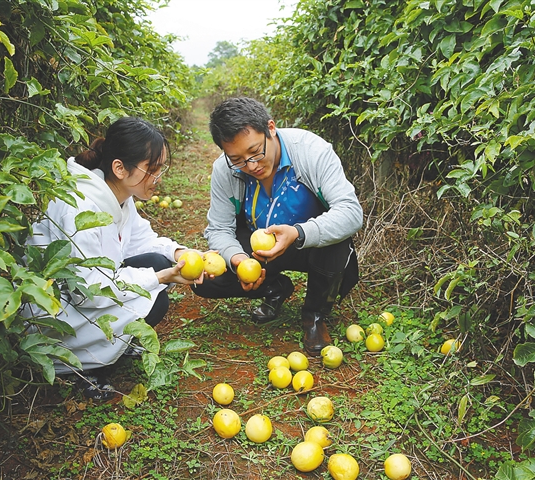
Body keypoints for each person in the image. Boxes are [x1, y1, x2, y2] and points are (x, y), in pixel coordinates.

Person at [25, 116, 203, 399]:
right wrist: (159, 277)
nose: (158, 179)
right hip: (54, 312)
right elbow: (87, 293)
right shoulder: (79, 206)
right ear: (119, 168)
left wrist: (179, 252)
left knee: (157, 273)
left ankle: (110, 348)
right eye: (152, 170)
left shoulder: (118, 194)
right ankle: (77, 368)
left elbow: (140, 239)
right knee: (155, 282)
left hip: (82, 296)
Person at [192, 97, 363, 356]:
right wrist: (237, 260)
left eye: (255, 152)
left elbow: (351, 212)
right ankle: (274, 288)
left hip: (308, 245)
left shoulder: (311, 151)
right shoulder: (225, 169)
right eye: (237, 159)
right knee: (205, 280)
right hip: (257, 247)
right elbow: (219, 228)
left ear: (270, 128)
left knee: (335, 238)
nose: (251, 166)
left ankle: (315, 314)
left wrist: (298, 232)